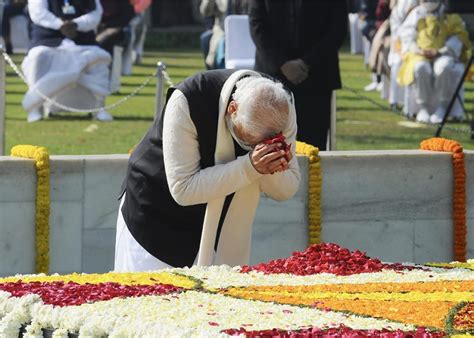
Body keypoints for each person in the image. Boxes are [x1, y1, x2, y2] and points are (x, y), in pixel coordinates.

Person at [115, 69, 300, 271]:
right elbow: (183, 189)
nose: (252, 148)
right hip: (157, 212)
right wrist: (251, 167)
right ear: (233, 109)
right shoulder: (190, 98)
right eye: (247, 140)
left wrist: (269, 166)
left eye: (264, 144)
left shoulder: (282, 107)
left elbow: (286, 190)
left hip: (221, 218)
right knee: (151, 296)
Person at [248, 0, 347, 150]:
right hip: (272, 79)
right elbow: (257, 24)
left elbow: (337, 29)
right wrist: (281, 63)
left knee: (313, 147)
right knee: (270, 147)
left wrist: (306, 62)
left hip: (316, 78)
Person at [21, 0, 113, 122]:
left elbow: (95, 14)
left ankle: (99, 107)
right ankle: (35, 108)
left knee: (98, 58)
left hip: (82, 41)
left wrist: (76, 24)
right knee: (38, 57)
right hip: (49, 41)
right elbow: (38, 13)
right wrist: (60, 25)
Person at [397, 0, 471, 123]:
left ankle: (442, 107)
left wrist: (441, 51)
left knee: (443, 67)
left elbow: (459, 36)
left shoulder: (449, 15)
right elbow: (407, 36)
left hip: (444, 53)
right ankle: (423, 107)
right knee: (420, 68)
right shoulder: (415, 14)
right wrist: (418, 50)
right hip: (420, 54)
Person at [387, 0, 419, 110]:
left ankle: (410, 105)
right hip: (399, 42)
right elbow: (395, 22)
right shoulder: (398, 5)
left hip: (413, 42)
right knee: (396, 66)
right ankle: (394, 100)